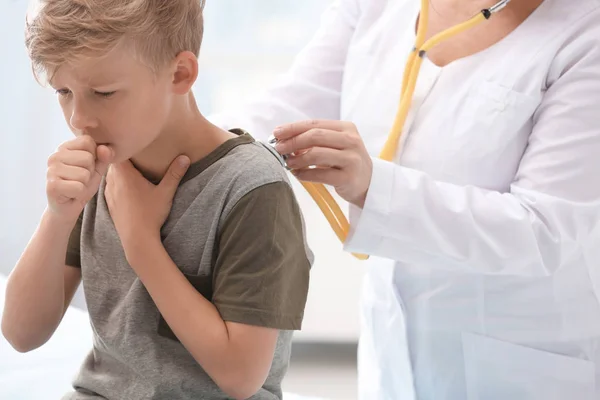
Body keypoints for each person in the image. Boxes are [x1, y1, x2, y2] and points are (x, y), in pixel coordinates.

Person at [210, 0, 600, 399]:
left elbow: (546, 230)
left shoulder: (587, 34)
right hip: (390, 354)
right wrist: (181, 137)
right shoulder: (372, 7)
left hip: (523, 367)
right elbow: (289, 109)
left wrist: (372, 187)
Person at [1, 1, 312, 399]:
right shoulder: (100, 168)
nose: (79, 118)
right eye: (64, 91)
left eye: (104, 93)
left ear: (180, 74)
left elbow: (240, 377)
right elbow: (21, 333)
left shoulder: (252, 188)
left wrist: (141, 244)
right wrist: (59, 215)